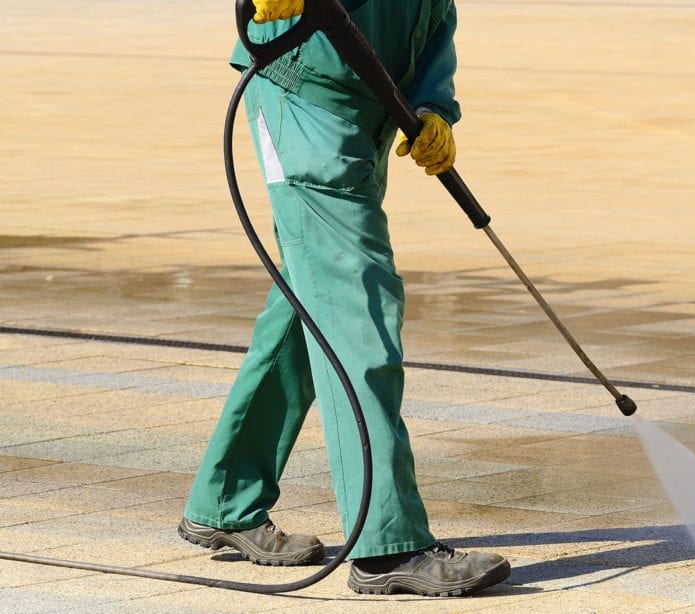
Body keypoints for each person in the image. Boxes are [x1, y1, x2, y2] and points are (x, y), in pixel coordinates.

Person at [177, 0, 511, 597]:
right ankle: (387, 547)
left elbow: (434, 14)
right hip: (298, 101)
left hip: (365, 120)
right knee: (358, 307)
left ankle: (224, 499)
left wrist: (434, 107)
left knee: (307, 309)